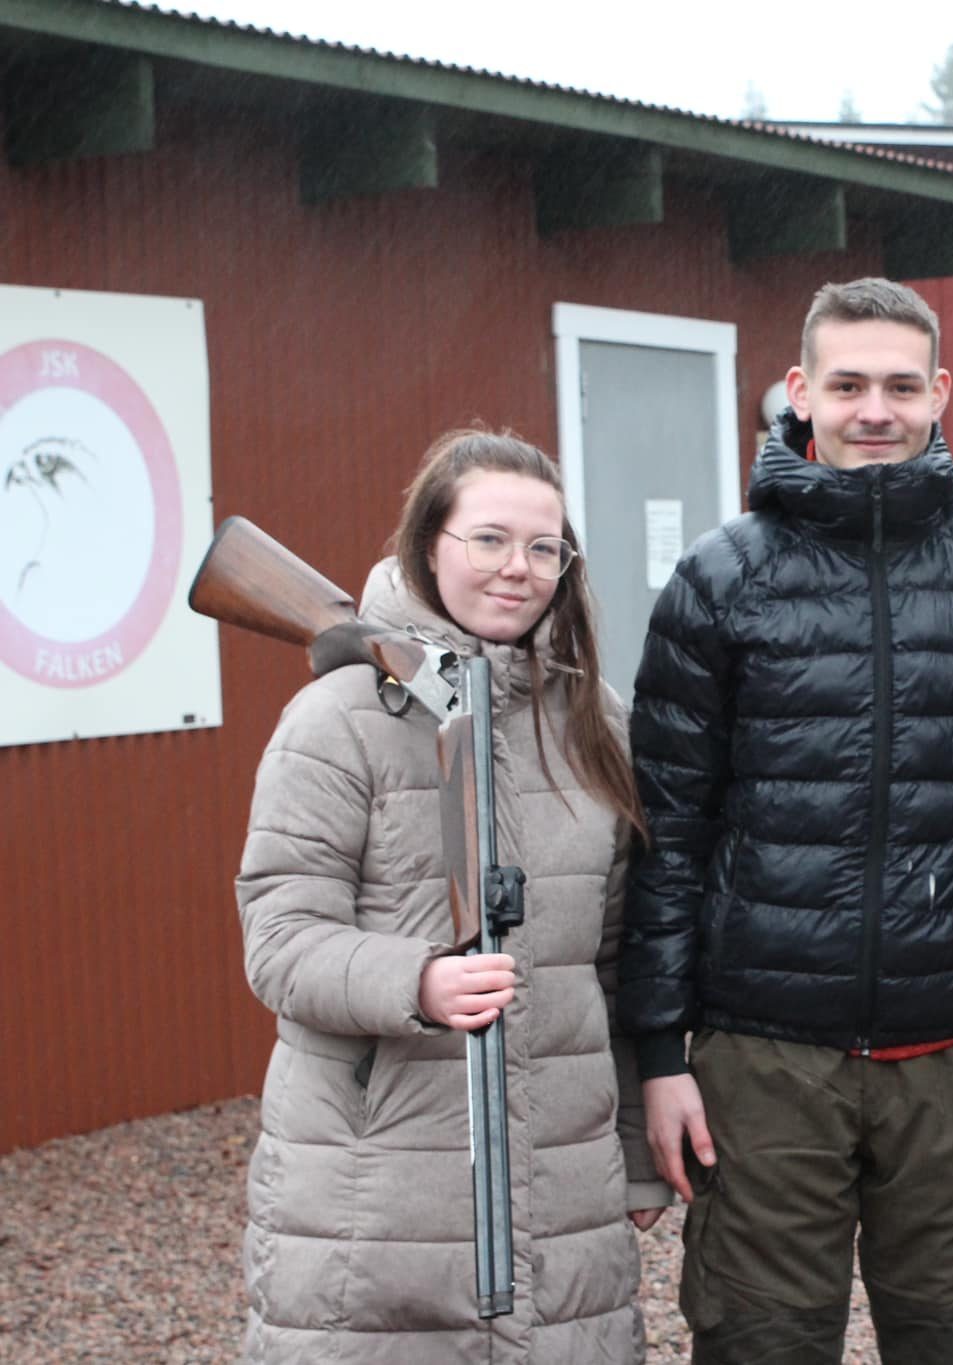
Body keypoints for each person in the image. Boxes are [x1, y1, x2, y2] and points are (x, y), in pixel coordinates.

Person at [618, 278, 953, 1364]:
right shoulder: (721, 580)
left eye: (897, 384)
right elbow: (668, 827)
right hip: (762, 1059)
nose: (872, 409)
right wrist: (659, 1051)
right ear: (801, 392)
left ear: (939, 394)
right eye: (847, 384)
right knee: (761, 1346)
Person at [234, 429, 668, 1363]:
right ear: (426, 545)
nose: (519, 568)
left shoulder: (595, 723)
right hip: (371, 1196)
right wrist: (418, 979)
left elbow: (614, 962)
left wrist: (631, 1149)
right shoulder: (335, 718)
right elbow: (279, 935)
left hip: (563, 1198)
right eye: (488, 539)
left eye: (544, 547)